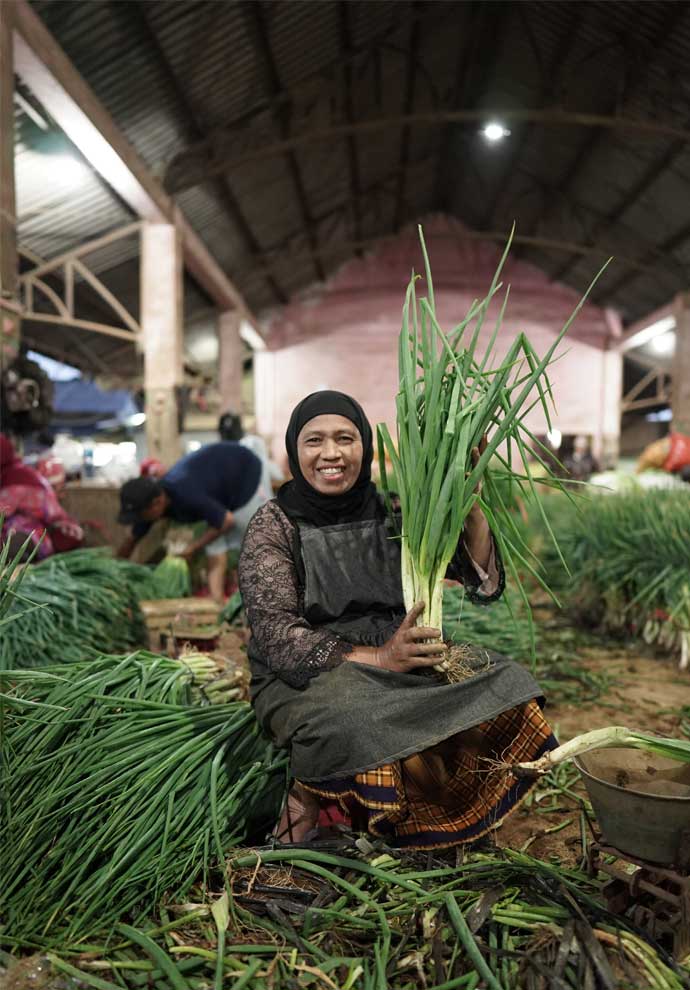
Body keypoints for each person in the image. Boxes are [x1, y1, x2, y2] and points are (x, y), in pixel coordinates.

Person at [238, 391, 557, 848]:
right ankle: (304, 827)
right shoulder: (275, 525)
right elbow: (277, 638)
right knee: (352, 717)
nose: (331, 453)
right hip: (314, 669)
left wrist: (471, 505)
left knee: (508, 684)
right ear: (294, 450)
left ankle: (444, 815)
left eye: (345, 438)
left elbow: (477, 580)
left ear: (364, 447)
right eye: (314, 441)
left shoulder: (396, 510)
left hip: (405, 654)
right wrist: (382, 658)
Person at [117, 442, 269, 602]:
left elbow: (226, 521)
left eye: (141, 515)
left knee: (255, 543)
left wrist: (193, 548)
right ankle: (216, 601)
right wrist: (113, 569)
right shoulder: (150, 505)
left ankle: (262, 601)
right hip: (218, 488)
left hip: (245, 473)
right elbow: (132, 540)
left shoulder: (185, 493)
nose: (140, 520)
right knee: (213, 539)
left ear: (157, 502)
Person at [0, 433, 83, 561]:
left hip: (34, 536)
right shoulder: (14, 473)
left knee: (12, 546)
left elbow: (2, 511)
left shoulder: (16, 479)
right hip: (29, 535)